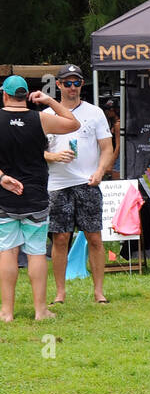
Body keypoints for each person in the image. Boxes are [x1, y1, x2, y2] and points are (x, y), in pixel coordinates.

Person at [0, 75, 78, 323]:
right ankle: (40, 310)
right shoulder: (40, 118)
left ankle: (7, 312)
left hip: (5, 196)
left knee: (7, 251)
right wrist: (50, 101)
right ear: (27, 97)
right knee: (35, 253)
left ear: (4, 95)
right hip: (35, 196)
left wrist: (2, 178)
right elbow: (73, 123)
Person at [43, 65, 116, 304]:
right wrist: (52, 156)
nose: (72, 87)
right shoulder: (46, 115)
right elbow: (34, 152)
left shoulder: (94, 113)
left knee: (94, 237)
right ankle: (60, 293)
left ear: (82, 85)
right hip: (58, 184)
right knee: (60, 238)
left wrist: (100, 171)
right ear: (59, 85)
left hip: (88, 182)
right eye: (67, 83)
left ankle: (99, 292)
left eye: (77, 83)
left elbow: (106, 148)